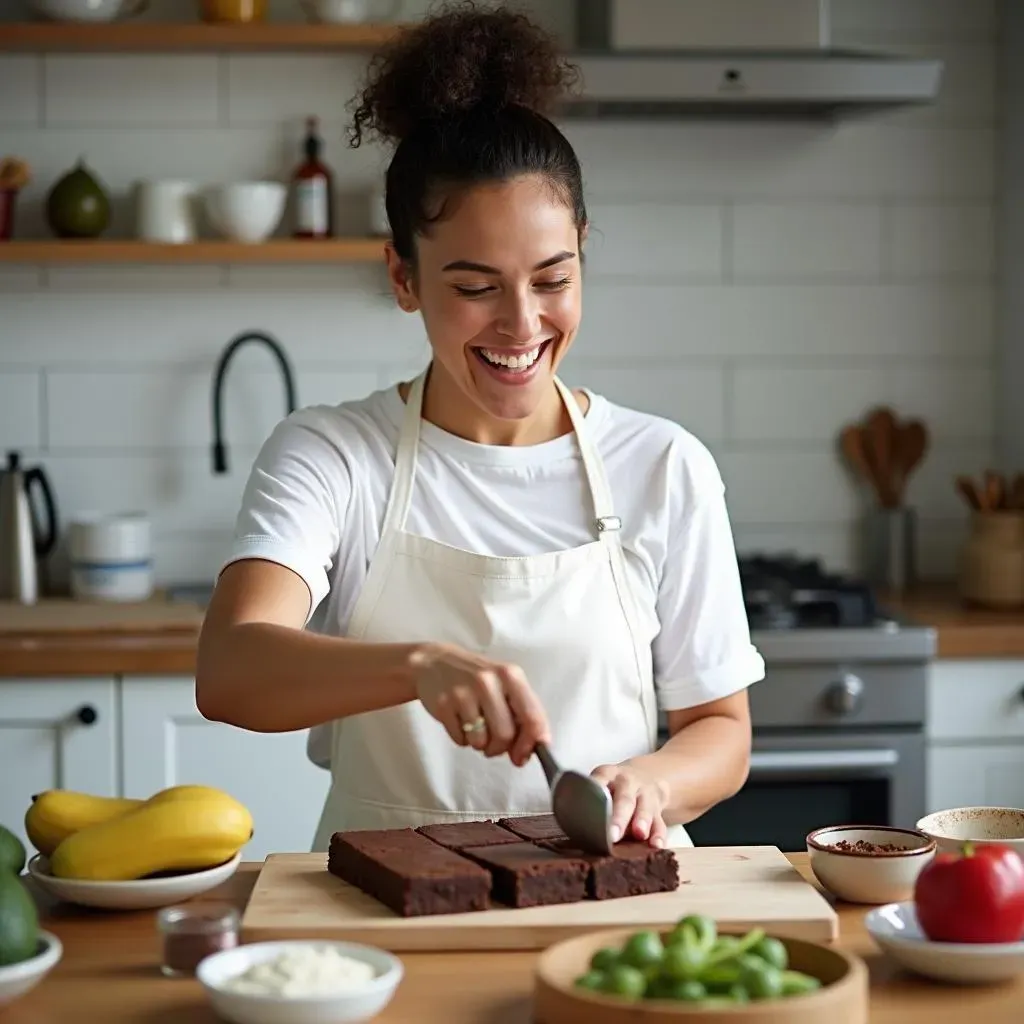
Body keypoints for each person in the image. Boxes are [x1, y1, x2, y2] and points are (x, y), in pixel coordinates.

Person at [195, 1, 765, 853]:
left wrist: (652, 780)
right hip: (380, 922)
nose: (521, 323)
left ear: (582, 256)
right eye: (474, 287)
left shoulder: (662, 464)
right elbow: (231, 673)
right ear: (403, 277)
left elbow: (721, 730)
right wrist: (417, 667)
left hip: (608, 911)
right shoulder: (333, 456)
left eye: (551, 277)